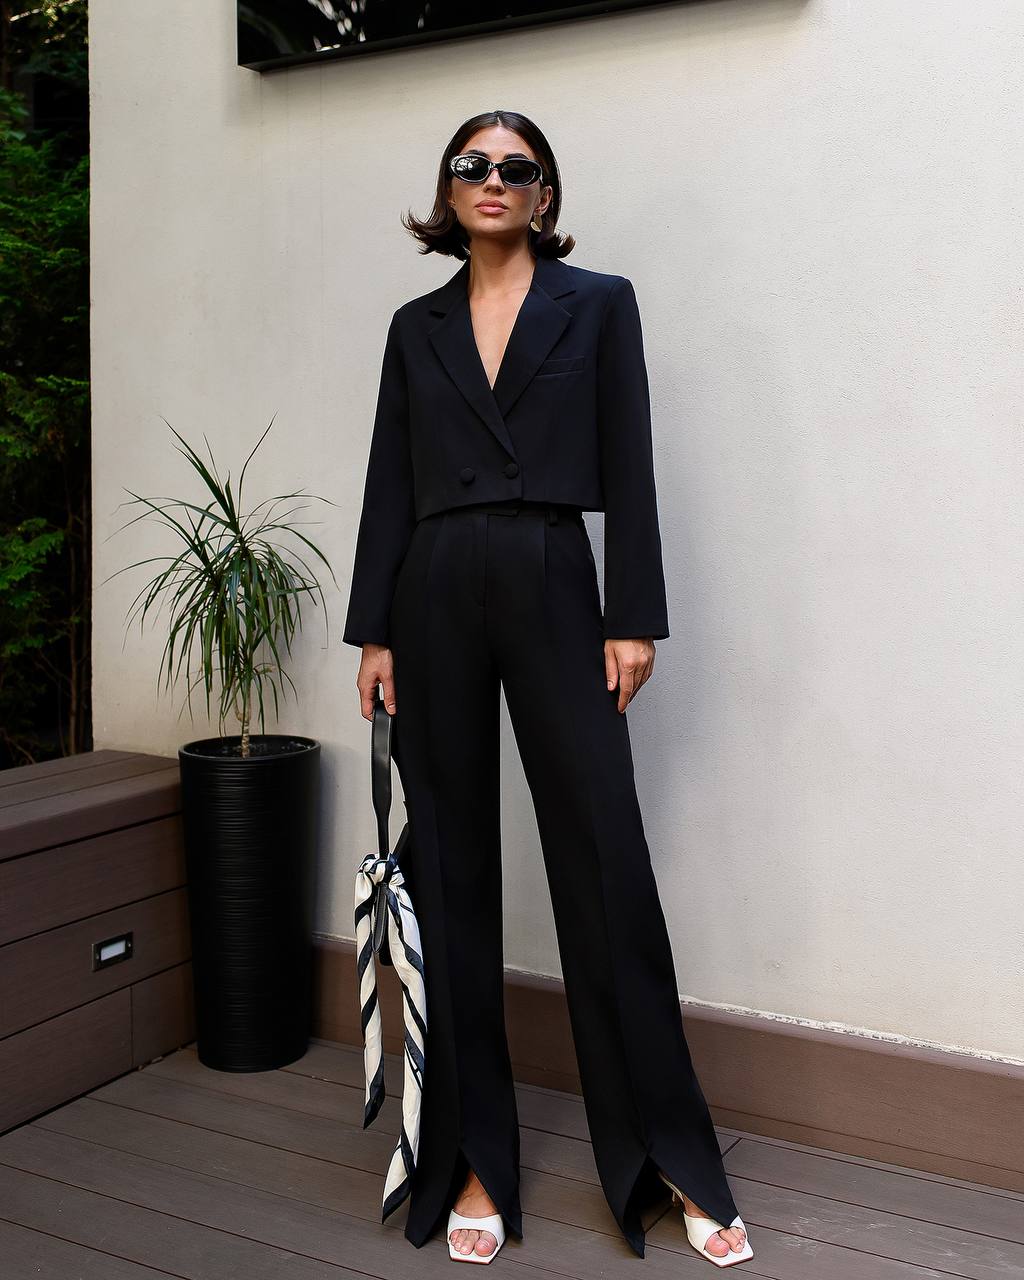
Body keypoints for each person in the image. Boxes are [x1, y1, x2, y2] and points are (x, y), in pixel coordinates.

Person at [343, 109, 753, 1269]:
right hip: (431, 584)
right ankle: (473, 1156)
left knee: (604, 860)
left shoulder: (600, 304)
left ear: (544, 194)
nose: (492, 180)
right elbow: (388, 477)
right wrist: (373, 632)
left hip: (553, 574)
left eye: (515, 168)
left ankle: (668, 1156)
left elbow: (631, 457)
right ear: (448, 189)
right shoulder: (414, 326)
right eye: (471, 165)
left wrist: (633, 613)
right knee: (449, 866)